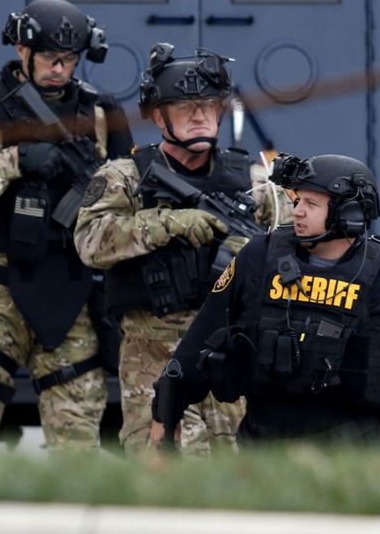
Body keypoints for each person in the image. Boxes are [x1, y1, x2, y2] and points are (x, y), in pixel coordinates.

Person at [151, 153, 380, 445]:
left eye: (311, 203)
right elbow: (201, 338)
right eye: (297, 201)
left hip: (348, 454)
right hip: (261, 446)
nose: (298, 211)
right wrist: (163, 415)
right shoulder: (258, 257)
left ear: (348, 213)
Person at [0, 0, 133, 451]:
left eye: (68, 60)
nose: (58, 69)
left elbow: (129, 199)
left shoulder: (102, 112)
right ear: (23, 51)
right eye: (48, 57)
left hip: (71, 289)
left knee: (78, 437)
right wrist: (14, 160)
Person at [74, 44, 276, 455]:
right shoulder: (125, 178)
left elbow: (301, 250)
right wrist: (165, 224)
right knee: (161, 478)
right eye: (185, 107)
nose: (200, 116)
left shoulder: (254, 182)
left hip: (231, 355)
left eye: (209, 107)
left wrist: (255, 255)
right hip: (154, 357)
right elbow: (89, 243)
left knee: (238, 477)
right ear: (159, 115)